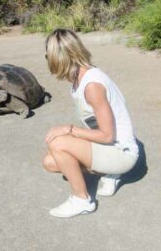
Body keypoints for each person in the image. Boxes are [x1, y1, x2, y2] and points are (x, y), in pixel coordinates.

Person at [43, 29, 139, 218]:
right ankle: (107, 171)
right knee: (50, 162)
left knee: (58, 143)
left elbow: (107, 135)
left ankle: (82, 200)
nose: (47, 59)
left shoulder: (92, 86)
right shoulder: (79, 78)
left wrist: (70, 130)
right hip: (108, 147)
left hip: (122, 153)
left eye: (48, 55)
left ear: (60, 56)